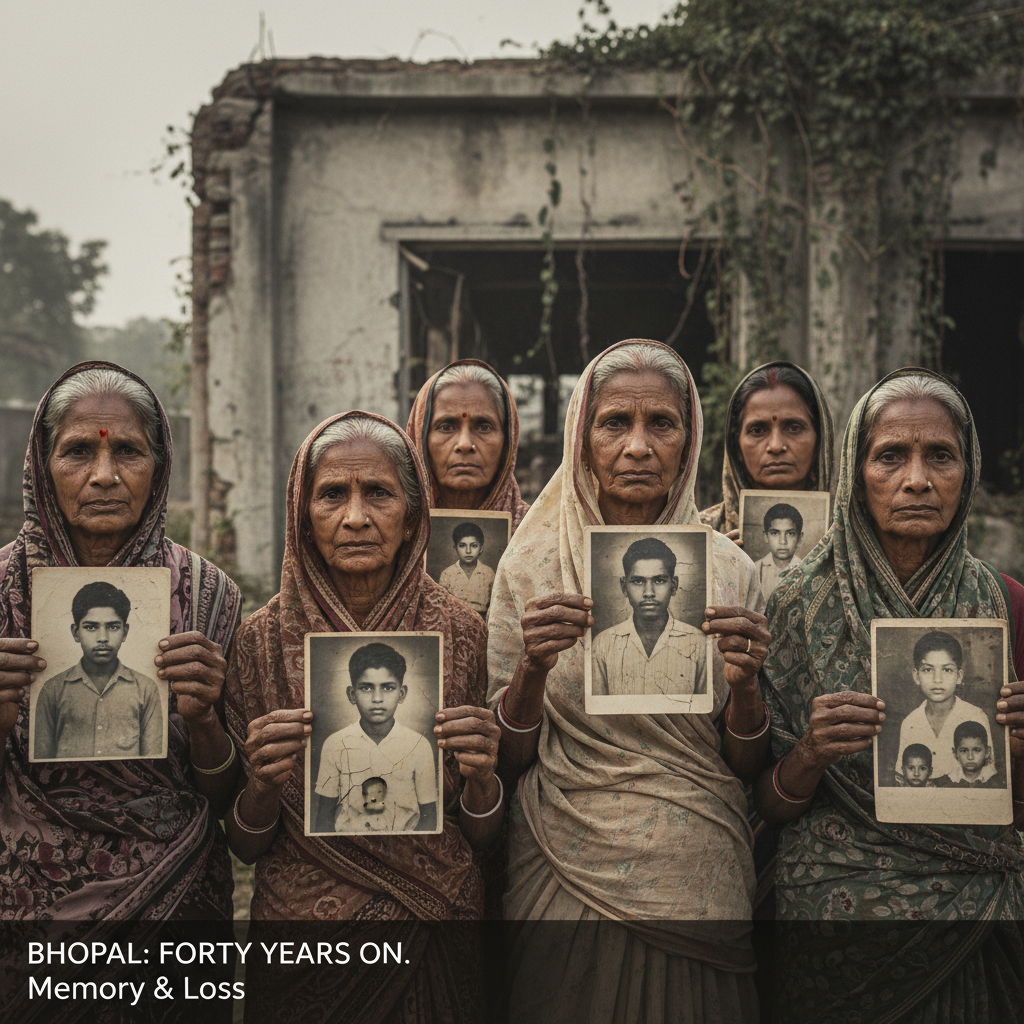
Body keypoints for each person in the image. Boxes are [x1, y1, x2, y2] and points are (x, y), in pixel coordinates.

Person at [487, 340, 771, 1023]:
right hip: (562, 870)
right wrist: (531, 668)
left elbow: (747, 765)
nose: (638, 446)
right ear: (581, 438)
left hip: (698, 874)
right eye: (615, 423)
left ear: (688, 439)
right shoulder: (529, 571)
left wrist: (748, 685)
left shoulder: (733, 575)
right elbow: (502, 762)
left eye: (661, 424)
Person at [755, 367, 1024, 1022]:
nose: (917, 481)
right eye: (890, 457)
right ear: (855, 470)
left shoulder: (1006, 604)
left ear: (969, 469)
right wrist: (811, 754)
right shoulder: (799, 603)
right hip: (832, 901)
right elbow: (764, 800)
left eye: (941, 456)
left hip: (979, 893)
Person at [223, 411, 503, 1023]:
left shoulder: (463, 633)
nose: (355, 517)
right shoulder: (258, 644)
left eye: (378, 493)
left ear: (412, 518)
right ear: (303, 515)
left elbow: (481, 836)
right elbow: (246, 846)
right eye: (332, 495)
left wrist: (484, 777)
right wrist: (264, 785)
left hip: (435, 929)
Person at [0, 362, 242, 1021]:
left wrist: (209, 720)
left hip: (178, 907)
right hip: (27, 915)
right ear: (43, 465)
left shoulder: (211, 596)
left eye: (127, 450)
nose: (104, 475)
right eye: (80, 449)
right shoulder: (1, 592)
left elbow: (229, 798)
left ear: (159, 467)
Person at [700, 361, 834, 539]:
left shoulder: (850, 537)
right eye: (757, 431)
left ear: (820, 440)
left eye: (794, 428)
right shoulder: (703, 537)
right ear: (736, 447)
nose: (776, 446)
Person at [313, 641, 437, 833]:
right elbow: (323, 820)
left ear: (401, 693)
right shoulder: (335, 744)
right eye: (366, 688)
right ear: (352, 694)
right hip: (349, 846)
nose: (377, 698)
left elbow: (430, 819)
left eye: (387, 688)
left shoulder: (419, 745)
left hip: (406, 848)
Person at [33, 580, 164, 759]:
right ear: (75, 632)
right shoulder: (52, 689)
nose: (103, 638)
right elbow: (42, 760)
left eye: (113, 627)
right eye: (91, 627)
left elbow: (153, 761)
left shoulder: (146, 688)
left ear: (125, 632)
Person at [407, 359, 530, 531]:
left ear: (508, 441)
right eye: (446, 427)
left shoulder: (542, 537)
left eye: (484, 427)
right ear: (420, 438)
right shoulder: (396, 534)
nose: (464, 444)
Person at [591, 536, 706, 696]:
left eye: (659, 581)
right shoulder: (602, 645)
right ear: (624, 587)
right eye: (638, 582)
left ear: (674, 586)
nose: (649, 593)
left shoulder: (699, 643)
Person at [895, 630, 993, 782]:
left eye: (947, 670)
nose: (937, 679)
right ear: (916, 676)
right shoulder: (910, 723)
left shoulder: (975, 716)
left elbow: (988, 775)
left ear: (959, 676)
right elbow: (901, 779)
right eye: (928, 670)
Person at [437, 521, 496, 615]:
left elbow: (495, 605)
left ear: (481, 548)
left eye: (473, 546)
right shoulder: (447, 574)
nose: (468, 551)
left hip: (483, 620)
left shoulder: (488, 573)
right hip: (455, 619)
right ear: (455, 548)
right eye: (462, 546)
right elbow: (441, 606)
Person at [753, 502, 803, 597]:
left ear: (799, 538)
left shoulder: (807, 570)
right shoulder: (755, 570)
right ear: (766, 537)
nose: (783, 541)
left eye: (790, 534)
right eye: (775, 533)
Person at [934, 721, 1003, 788]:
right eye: (964, 751)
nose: (970, 757)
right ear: (955, 753)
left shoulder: (998, 782)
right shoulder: (943, 783)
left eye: (976, 750)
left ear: (987, 752)